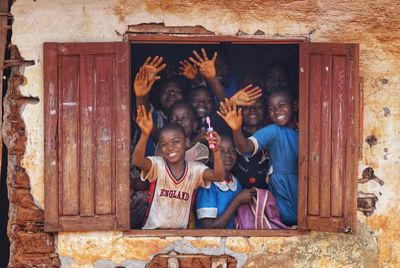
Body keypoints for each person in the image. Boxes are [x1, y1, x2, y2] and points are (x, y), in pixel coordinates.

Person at [133, 105, 225, 229]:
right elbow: (138, 162)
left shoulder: (195, 170)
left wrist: (217, 151)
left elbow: (218, 177)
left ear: (186, 143)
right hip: (152, 231)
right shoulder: (158, 165)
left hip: (180, 233)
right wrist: (145, 135)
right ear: (160, 149)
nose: (170, 147)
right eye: (164, 144)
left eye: (176, 141)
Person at [217, 89, 298, 226]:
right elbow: (245, 148)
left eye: (281, 105)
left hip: (304, 211)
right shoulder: (274, 131)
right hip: (280, 217)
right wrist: (236, 129)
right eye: (272, 108)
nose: (277, 111)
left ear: (295, 106)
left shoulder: (307, 131)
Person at [196, 134, 256, 229]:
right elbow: (209, 228)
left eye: (232, 150)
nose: (228, 155)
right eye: (221, 151)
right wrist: (237, 200)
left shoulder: (235, 182)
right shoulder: (207, 185)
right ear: (211, 157)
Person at [231, 98, 269, 189]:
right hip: (236, 196)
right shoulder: (232, 134)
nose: (252, 109)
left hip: (268, 197)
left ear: (266, 110)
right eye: (247, 106)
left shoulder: (271, 135)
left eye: (259, 106)